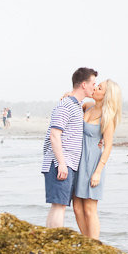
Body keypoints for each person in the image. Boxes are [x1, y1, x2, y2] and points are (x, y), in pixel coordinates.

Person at [42, 67, 97, 228]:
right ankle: (54, 243)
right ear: (84, 85)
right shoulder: (66, 105)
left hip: (66, 163)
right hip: (60, 163)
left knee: (59, 205)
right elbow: (54, 135)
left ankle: (51, 242)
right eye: (93, 83)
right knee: (59, 206)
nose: (95, 86)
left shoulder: (76, 105)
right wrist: (62, 163)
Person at [73, 79, 122, 240]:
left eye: (99, 87)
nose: (94, 88)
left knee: (89, 208)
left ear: (106, 95)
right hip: (79, 161)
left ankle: (94, 245)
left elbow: (108, 146)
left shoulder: (107, 117)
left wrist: (98, 172)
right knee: (77, 207)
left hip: (93, 162)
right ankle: (86, 241)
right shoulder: (87, 106)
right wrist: (68, 96)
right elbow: (74, 106)